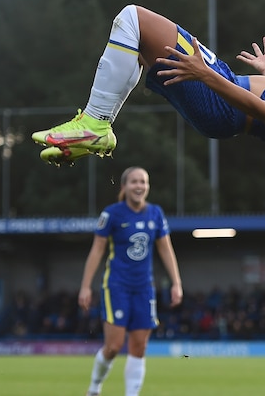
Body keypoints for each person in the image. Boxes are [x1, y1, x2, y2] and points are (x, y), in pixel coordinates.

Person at [32, 5, 265, 239]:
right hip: (226, 97)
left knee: (133, 20)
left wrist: (207, 76)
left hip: (223, 99)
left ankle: (96, 124)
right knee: (142, 45)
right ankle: (97, 125)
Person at [78, 166, 183, 396]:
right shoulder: (112, 214)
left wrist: (176, 282)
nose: (139, 186)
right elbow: (97, 251)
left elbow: (166, 250)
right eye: (134, 182)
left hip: (144, 288)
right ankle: (95, 388)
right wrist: (85, 286)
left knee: (139, 346)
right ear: (124, 187)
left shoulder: (155, 213)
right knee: (114, 346)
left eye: (143, 182)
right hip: (116, 285)